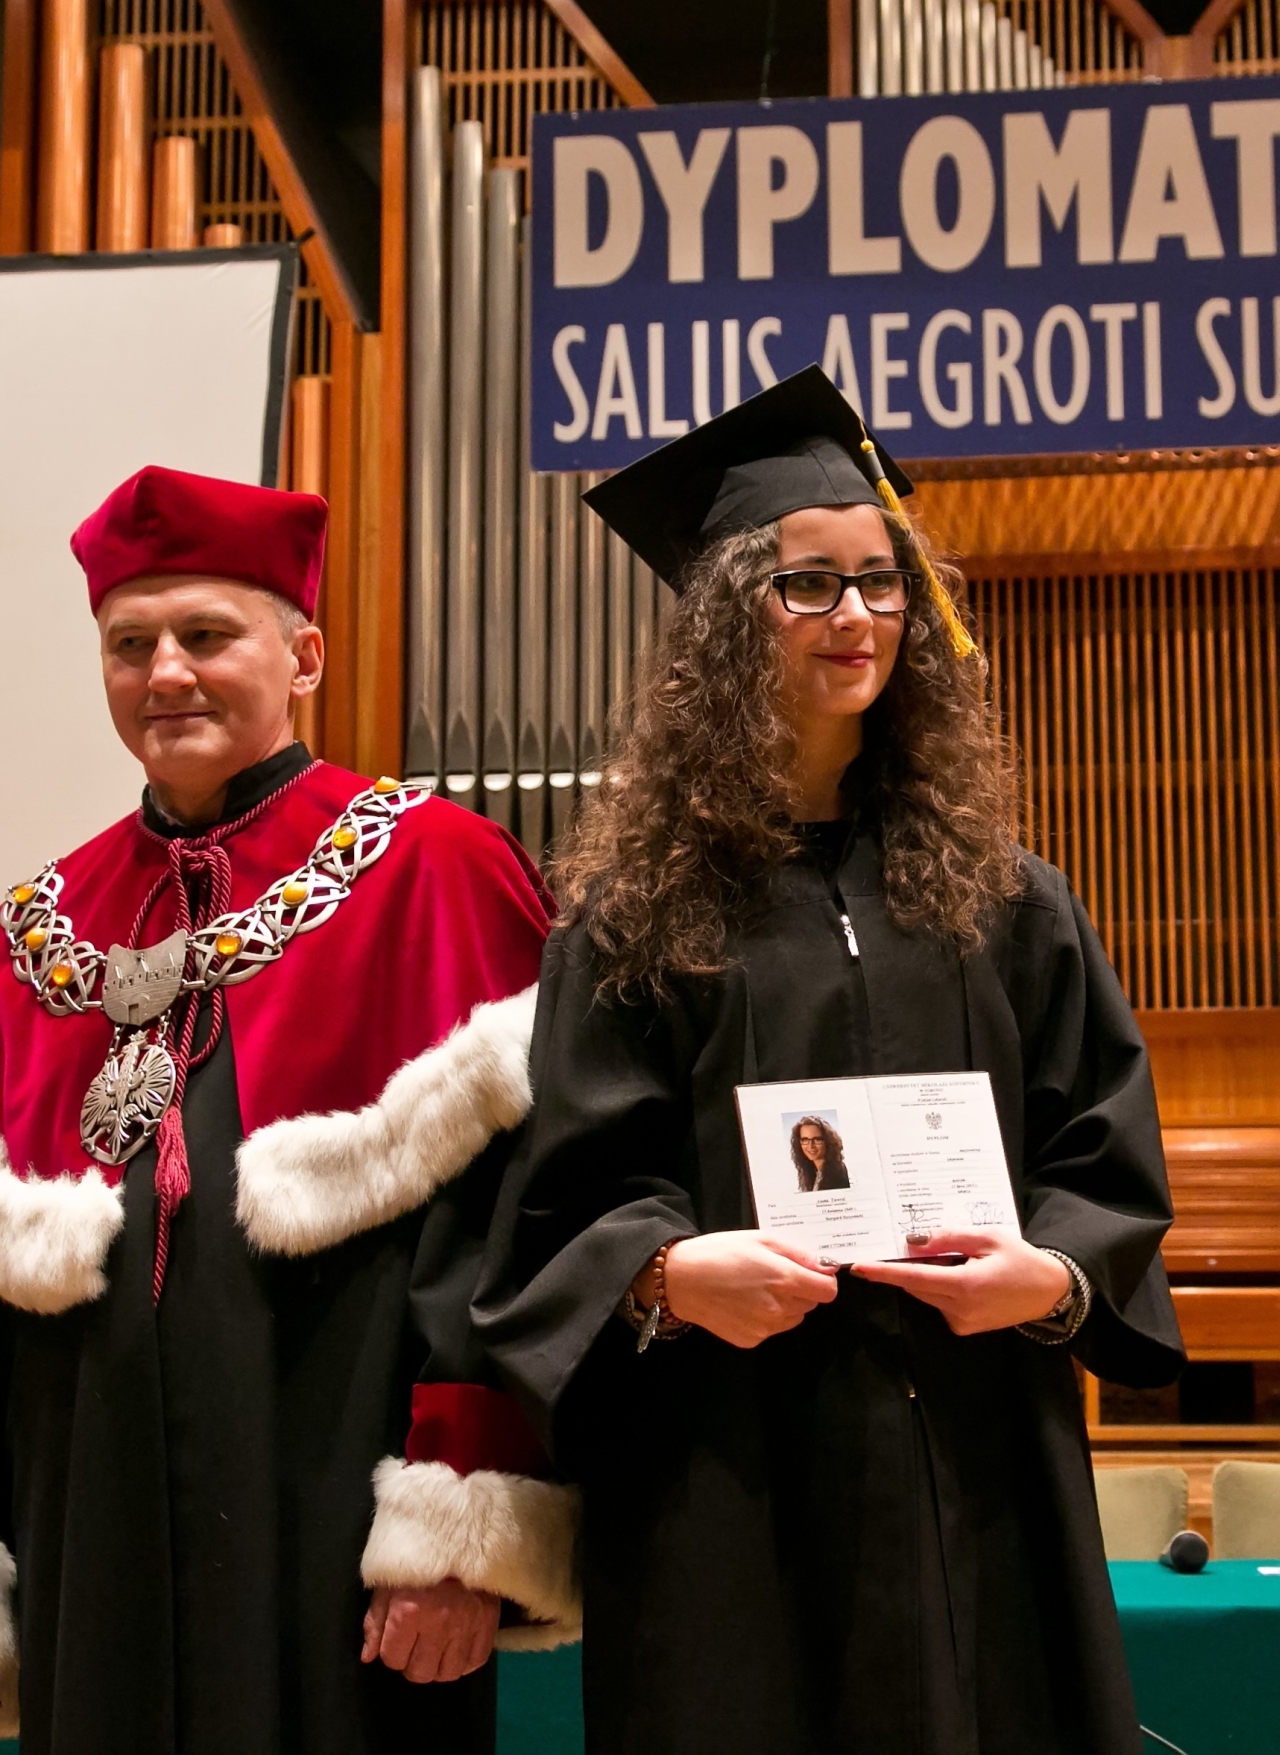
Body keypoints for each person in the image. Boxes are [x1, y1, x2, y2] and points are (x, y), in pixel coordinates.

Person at [474, 367, 1185, 1755]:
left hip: (978, 1451)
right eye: (806, 584)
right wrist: (671, 1275)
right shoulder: (637, 915)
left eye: (880, 581)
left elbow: (1100, 1148)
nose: (854, 615)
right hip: (732, 1465)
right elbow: (566, 1194)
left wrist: (1049, 1277)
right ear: (729, 620)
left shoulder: (1004, 899)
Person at [0, 467, 578, 1755]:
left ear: (303, 657)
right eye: (130, 645)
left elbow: (524, 1221)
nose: (166, 673)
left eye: (207, 635)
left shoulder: (434, 868)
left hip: (333, 1514)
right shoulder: (42, 925)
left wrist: (456, 1528)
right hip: (88, 1524)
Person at [790, 1116, 850, 1193]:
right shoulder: (814, 1173)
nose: (811, 1146)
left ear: (828, 1142)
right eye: (805, 1140)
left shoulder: (839, 1174)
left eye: (817, 1140)